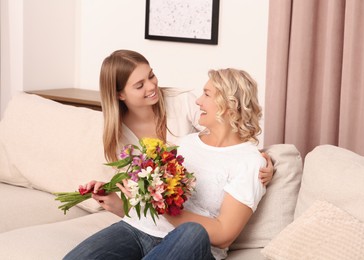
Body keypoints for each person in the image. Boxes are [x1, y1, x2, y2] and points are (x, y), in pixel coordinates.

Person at [64, 50, 272, 259]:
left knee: (193, 231)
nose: (198, 101)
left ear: (229, 105)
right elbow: (155, 193)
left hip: (189, 242)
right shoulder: (186, 143)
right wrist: (128, 201)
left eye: (206, 94)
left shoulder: (250, 162)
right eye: (139, 84)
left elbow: (224, 234)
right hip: (139, 228)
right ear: (121, 94)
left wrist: (160, 208)